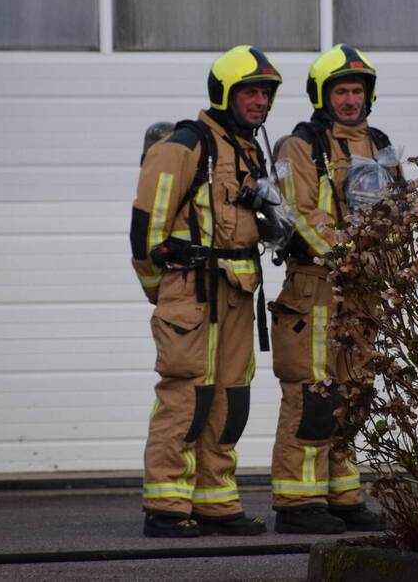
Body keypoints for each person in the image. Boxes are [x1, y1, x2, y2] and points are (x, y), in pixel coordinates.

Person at [130, 45, 282, 538]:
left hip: (238, 292)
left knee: (230, 398)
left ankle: (216, 500)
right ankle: (168, 505)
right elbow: (145, 233)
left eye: (264, 93)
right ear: (224, 93)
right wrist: (164, 294)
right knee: (186, 395)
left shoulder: (248, 148)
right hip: (190, 291)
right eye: (249, 92)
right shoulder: (184, 145)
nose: (258, 101)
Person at [268, 44, 397, 534]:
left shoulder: (379, 143)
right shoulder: (301, 145)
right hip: (315, 286)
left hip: (363, 289)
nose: (349, 99)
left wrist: (388, 261)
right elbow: (301, 212)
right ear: (322, 95)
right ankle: (298, 502)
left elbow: (395, 210)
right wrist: (352, 255)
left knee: (354, 392)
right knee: (313, 394)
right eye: (340, 90)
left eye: (357, 90)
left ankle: (343, 496)